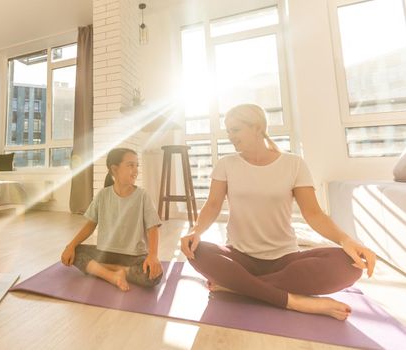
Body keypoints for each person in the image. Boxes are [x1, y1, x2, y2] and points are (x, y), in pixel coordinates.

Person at [180, 104, 376, 320]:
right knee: (195, 250)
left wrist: (346, 240)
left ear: (257, 127)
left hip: (285, 260)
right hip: (239, 257)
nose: (230, 136)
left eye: (235, 130)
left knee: (349, 265)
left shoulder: (294, 164)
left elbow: (313, 213)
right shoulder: (226, 164)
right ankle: (296, 302)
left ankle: (237, 287)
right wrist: (196, 231)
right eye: (228, 131)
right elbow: (212, 205)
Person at [61, 148, 163, 291]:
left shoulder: (143, 196)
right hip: (105, 254)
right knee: (74, 252)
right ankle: (113, 276)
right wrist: (71, 245)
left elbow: (153, 228)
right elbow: (90, 225)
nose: (135, 170)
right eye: (130, 165)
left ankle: (107, 271)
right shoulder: (102, 195)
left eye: (136, 165)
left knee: (155, 275)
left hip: (133, 257)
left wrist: (153, 256)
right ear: (114, 169)